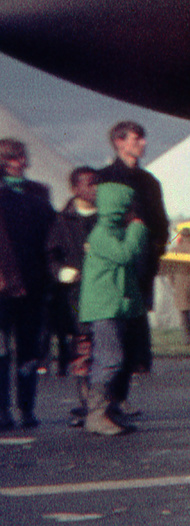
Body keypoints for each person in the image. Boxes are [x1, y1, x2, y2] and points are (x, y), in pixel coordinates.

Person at [95, 121, 168, 381]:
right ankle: (102, 402)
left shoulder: (150, 182)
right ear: (119, 142)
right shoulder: (102, 178)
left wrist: (153, 253)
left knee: (134, 334)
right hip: (112, 266)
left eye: (143, 138)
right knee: (112, 334)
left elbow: (160, 224)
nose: (143, 143)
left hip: (140, 266)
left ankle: (120, 399)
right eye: (136, 138)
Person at [77, 181, 148, 436]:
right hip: (104, 308)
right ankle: (96, 414)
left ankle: (109, 411)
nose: (133, 213)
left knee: (116, 358)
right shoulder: (102, 236)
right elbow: (125, 255)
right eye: (129, 208)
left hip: (115, 306)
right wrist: (138, 231)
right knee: (110, 359)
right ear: (117, 209)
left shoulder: (114, 232)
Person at [0, 140, 55, 430]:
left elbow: (51, 236)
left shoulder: (39, 193)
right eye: (9, 157)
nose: (17, 161)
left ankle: (27, 408)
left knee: (29, 351)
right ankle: (2, 410)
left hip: (34, 284)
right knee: (0, 351)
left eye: (20, 156)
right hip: (3, 287)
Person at [46, 167, 97, 426]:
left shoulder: (106, 218)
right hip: (75, 297)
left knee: (107, 352)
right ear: (75, 188)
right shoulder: (62, 220)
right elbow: (50, 255)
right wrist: (61, 272)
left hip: (103, 294)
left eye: (97, 183)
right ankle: (87, 403)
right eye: (88, 184)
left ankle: (107, 404)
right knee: (82, 349)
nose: (94, 188)